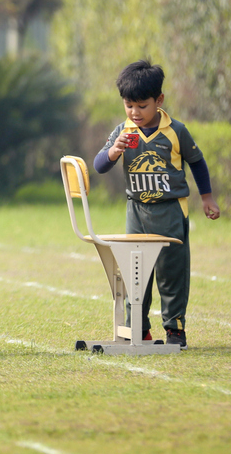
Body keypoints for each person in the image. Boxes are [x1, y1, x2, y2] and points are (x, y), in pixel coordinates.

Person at [93, 59, 220, 349]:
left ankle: (175, 329)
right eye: (129, 106)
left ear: (158, 100)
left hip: (171, 211)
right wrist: (114, 151)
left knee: (171, 271)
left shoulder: (176, 131)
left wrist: (207, 197)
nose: (135, 113)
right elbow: (99, 165)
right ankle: (139, 329)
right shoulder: (122, 131)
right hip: (136, 212)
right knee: (135, 273)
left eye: (142, 105)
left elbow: (197, 162)